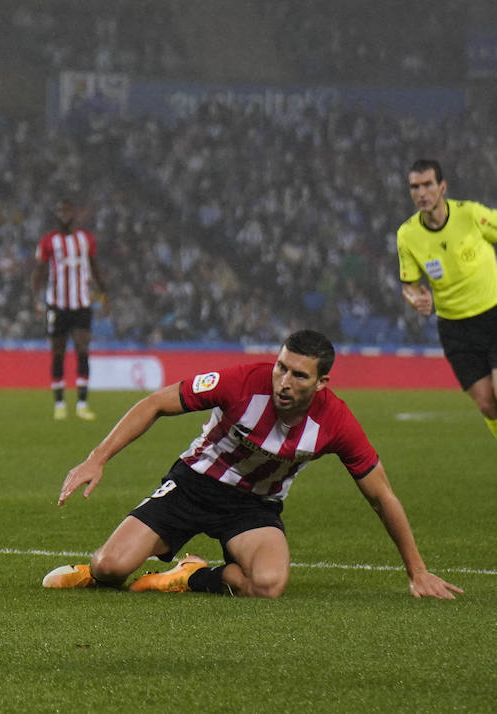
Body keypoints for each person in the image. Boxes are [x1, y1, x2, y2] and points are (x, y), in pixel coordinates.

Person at [42, 329, 462, 599]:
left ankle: (191, 577)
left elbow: (381, 496)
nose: (283, 381)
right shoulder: (241, 381)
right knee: (111, 567)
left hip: (253, 507)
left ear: (322, 383)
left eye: (299, 375)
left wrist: (418, 572)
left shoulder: (336, 423)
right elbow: (156, 403)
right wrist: (97, 458)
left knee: (267, 586)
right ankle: (94, 570)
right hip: (194, 484)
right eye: (281, 367)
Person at [396, 159, 497, 442]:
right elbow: (408, 284)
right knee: (488, 404)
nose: (421, 193)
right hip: (455, 329)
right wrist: (416, 299)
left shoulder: (471, 215)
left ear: (442, 187)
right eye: (414, 187)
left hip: (493, 314)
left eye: (427, 184)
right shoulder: (407, 235)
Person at [32, 198, 104, 421]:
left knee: (83, 349)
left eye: (68, 210)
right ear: (56, 215)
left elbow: (94, 267)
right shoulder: (48, 242)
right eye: (60, 211)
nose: (65, 215)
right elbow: (39, 271)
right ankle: (60, 404)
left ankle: (82, 404)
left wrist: (105, 293)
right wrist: (36, 298)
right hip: (58, 304)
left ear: (74, 214)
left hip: (81, 303)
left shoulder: (86, 239)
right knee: (58, 352)